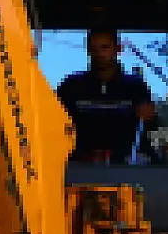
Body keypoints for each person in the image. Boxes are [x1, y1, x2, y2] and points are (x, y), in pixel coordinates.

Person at [56, 27, 157, 164]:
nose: (99, 53)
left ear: (118, 49)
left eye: (104, 47)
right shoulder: (71, 86)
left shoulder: (135, 86)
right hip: (78, 169)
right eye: (93, 48)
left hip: (125, 168)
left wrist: (150, 118)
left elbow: (150, 127)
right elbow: (54, 126)